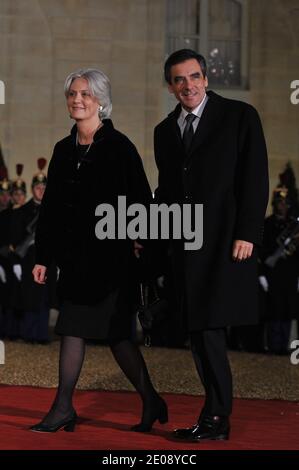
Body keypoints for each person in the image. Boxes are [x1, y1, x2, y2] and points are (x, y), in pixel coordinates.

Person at [30, 68, 167, 433]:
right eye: (73, 94)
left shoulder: (119, 147)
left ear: (101, 101)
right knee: (72, 328)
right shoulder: (62, 150)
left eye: (86, 94)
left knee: (117, 337)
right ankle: (63, 408)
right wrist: (43, 256)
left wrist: (143, 247)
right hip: (74, 263)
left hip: (112, 263)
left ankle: (150, 399)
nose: (77, 100)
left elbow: (140, 201)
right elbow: (52, 210)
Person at [154, 49, 269, 441]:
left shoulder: (240, 116)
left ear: (206, 77)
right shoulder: (165, 130)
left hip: (225, 244)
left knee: (210, 333)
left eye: (195, 76)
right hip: (185, 250)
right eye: (180, 79)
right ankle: (214, 416)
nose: (188, 85)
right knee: (200, 334)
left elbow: (254, 178)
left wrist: (248, 232)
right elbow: (167, 191)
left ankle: (217, 418)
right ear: (171, 86)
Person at [260, 186, 299, 354]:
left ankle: (284, 346)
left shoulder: (293, 226)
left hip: (290, 275)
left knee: (288, 310)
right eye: (278, 202)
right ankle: (274, 346)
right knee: (274, 310)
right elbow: (261, 251)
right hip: (272, 275)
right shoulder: (267, 225)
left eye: (284, 203)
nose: (281, 206)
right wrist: (261, 274)